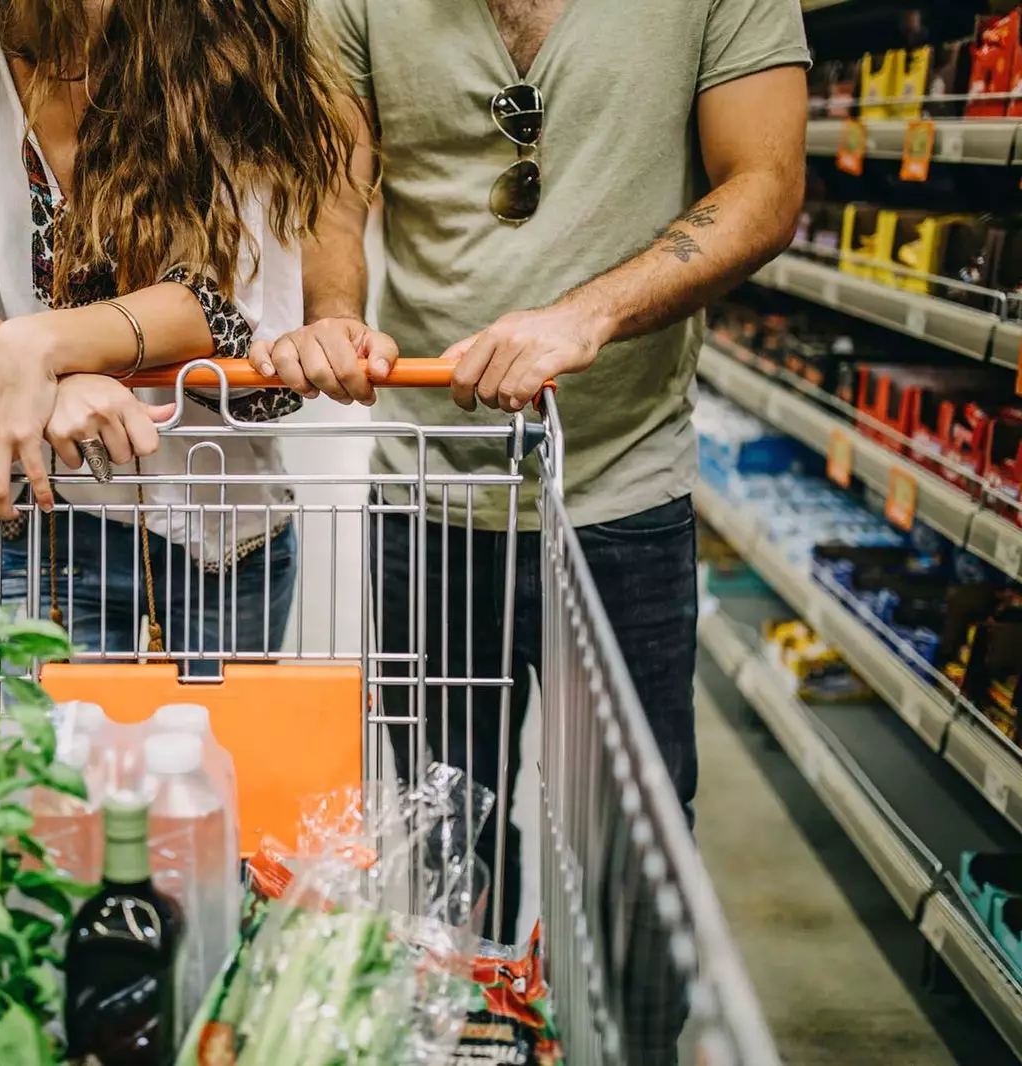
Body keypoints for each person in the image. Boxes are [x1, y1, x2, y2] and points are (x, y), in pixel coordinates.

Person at [256, 0, 808, 1055]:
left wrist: (586, 312)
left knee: (634, 842)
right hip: (428, 484)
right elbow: (335, 176)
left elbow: (765, 184)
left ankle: (639, 1045)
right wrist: (334, 305)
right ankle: (466, 1038)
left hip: (618, 483)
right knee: (444, 822)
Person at [0, 0, 354, 668]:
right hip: (46, 524)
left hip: (224, 522)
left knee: (212, 768)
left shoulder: (224, 22)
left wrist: (38, 346)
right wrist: (49, 378)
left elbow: (231, 300)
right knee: (54, 770)